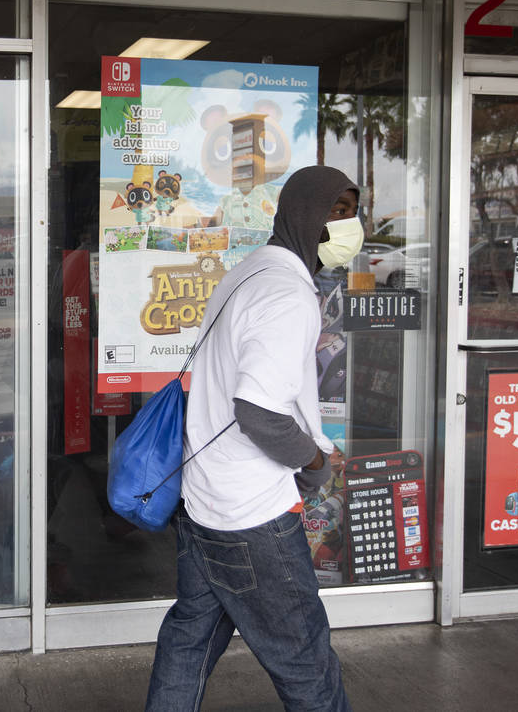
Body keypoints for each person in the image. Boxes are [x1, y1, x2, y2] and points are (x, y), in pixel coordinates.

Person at [145, 165, 361, 711]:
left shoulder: (247, 272)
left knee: (189, 641)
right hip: (252, 515)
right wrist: (315, 461)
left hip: (204, 500)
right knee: (305, 662)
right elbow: (259, 413)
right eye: (338, 210)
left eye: (354, 211)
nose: (350, 224)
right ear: (304, 214)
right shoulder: (287, 294)